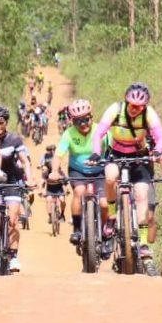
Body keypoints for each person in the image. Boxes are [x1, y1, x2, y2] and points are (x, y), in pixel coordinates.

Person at [90, 82, 162, 271]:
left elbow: (161, 137)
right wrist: (97, 153)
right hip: (116, 153)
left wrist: (156, 151)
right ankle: (112, 217)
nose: (135, 109)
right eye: (131, 105)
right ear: (126, 101)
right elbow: (99, 133)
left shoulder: (149, 114)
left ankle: (144, 246)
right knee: (111, 177)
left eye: (139, 106)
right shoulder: (115, 109)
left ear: (144, 106)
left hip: (139, 158)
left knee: (142, 194)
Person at [48, 99, 111, 248]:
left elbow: (113, 150)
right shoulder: (68, 134)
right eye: (78, 121)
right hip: (78, 171)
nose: (83, 124)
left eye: (86, 119)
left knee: (103, 203)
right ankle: (76, 229)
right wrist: (54, 171)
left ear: (91, 117)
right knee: (79, 191)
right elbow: (58, 155)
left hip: (100, 171)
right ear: (72, 121)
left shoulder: (101, 131)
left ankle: (104, 231)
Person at [0, 106, 34, 272]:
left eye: (1, 122)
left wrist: (30, 178)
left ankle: (13, 256)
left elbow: (25, 162)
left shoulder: (15, 140)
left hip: (12, 181)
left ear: (6, 123)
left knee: (13, 219)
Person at [39, 145, 66, 222]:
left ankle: (62, 214)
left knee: (62, 200)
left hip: (59, 189)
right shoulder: (46, 172)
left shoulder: (60, 172)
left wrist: (66, 190)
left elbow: (65, 182)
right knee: (48, 200)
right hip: (50, 189)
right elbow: (42, 181)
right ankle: (50, 216)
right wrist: (41, 191)